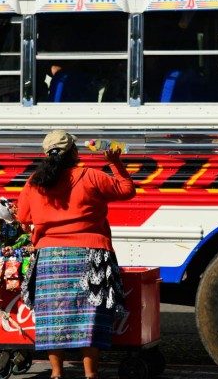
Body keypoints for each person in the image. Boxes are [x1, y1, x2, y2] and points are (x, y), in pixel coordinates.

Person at [17, 130, 136, 379]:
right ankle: (90, 374)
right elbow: (127, 190)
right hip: (90, 255)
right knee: (89, 316)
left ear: (46, 155)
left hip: (50, 257)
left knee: (52, 315)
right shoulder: (91, 175)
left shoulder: (34, 182)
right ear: (74, 152)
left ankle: (57, 373)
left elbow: (24, 219)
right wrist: (115, 162)